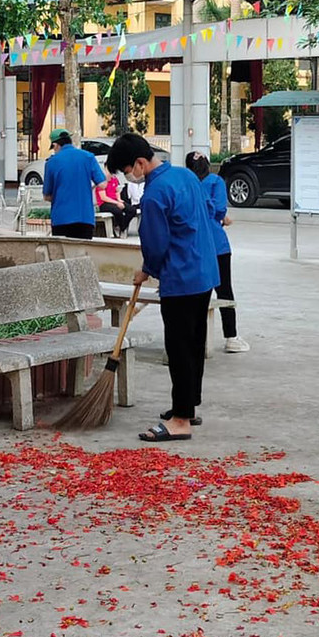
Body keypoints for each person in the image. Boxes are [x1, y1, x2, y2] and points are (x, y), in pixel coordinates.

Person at [107, 133, 218, 443]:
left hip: (181, 278)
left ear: (140, 164)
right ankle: (187, 406)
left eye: (128, 170)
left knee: (179, 348)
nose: (129, 176)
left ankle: (181, 420)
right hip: (204, 272)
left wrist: (146, 270)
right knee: (194, 345)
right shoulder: (185, 175)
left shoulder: (155, 195)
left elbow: (156, 244)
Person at [184, 152, 249, 353]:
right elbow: (220, 209)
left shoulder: (186, 184)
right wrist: (219, 218)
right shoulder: (216, 182)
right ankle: (231, 337)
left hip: (193, 243)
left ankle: (194, 337)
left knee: (196, 291)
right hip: (217, 245)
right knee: (224, 289)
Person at [41, 128, 106, 239]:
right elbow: (102, 184)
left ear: (55, 145)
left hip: (61, 218)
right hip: (85, 217)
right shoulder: (88, 157)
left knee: (62, 255)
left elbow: (47, 196)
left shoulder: (51, 162)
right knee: (83, 254)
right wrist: (86, 188)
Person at [95, 169, 136, 237]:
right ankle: (121, 227)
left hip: (115, 201)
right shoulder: (101, 181)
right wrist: (116, 203)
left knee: (132, 210)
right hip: (104, 203)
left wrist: (119, 199)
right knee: (118, 211)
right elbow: (103, 197)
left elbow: (117, 191)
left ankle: (121, 227)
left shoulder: (114, 179)